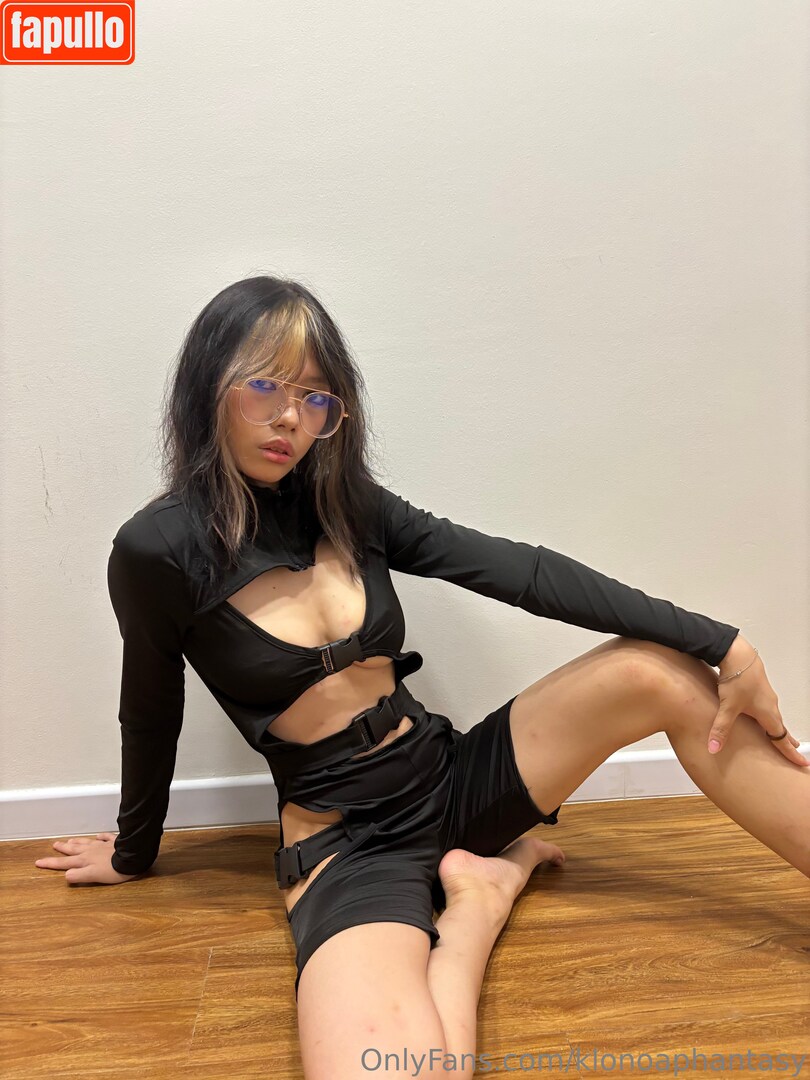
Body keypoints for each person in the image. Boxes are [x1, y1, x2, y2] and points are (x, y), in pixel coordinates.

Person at [35, 276, 809, 1080]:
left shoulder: (346, 503)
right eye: (265, 386)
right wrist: (135, 851)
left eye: (315, 398)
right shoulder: (156, 551)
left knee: (663, 672)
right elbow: (150, 708)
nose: (290, 418)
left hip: (453, 780)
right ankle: (479, 899)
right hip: (350, 844)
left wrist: (727, 645)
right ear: (207, 387)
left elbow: (523, 574)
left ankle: (483, 874)